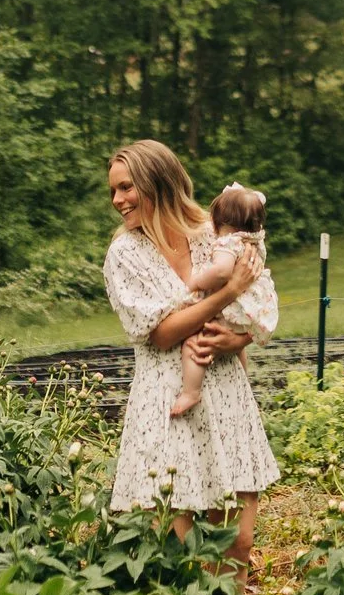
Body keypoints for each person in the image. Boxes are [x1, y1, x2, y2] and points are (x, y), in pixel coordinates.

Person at [103, 140, 281, 568]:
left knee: (238, 543)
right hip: (167, 404)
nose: (117, 200)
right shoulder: (125, 255)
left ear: (158, 182)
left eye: (126, 187)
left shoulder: (214, 234)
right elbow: (162, 335)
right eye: (113, 191)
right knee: (179, 548)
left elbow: (255, 300)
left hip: (227, 396)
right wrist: (228, 291)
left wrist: (238, 341)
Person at [170, 183, 276, 419]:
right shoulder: (255, 242)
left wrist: (196, 282)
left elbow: (221, 272)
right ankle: (243, 387)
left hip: (232, 308)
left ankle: (191, 392)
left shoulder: (228, 243)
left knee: (194, 344)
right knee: (237, 351)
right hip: (252, 309)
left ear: (219, 223)